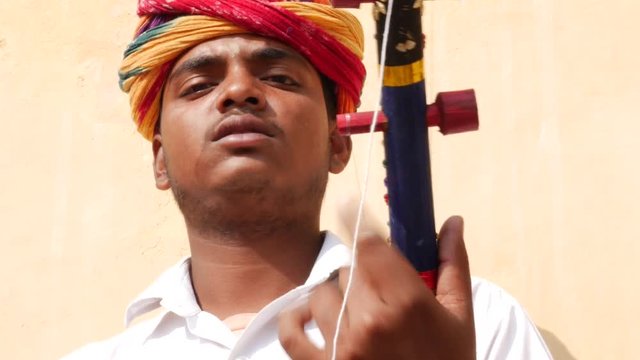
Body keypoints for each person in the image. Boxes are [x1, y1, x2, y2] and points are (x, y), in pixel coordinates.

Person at [65, 0, 551, 358]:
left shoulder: (465, 322)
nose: (239, 91)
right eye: (200, 85)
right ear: (160, 162)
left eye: (279, 78)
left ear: (338, 143)